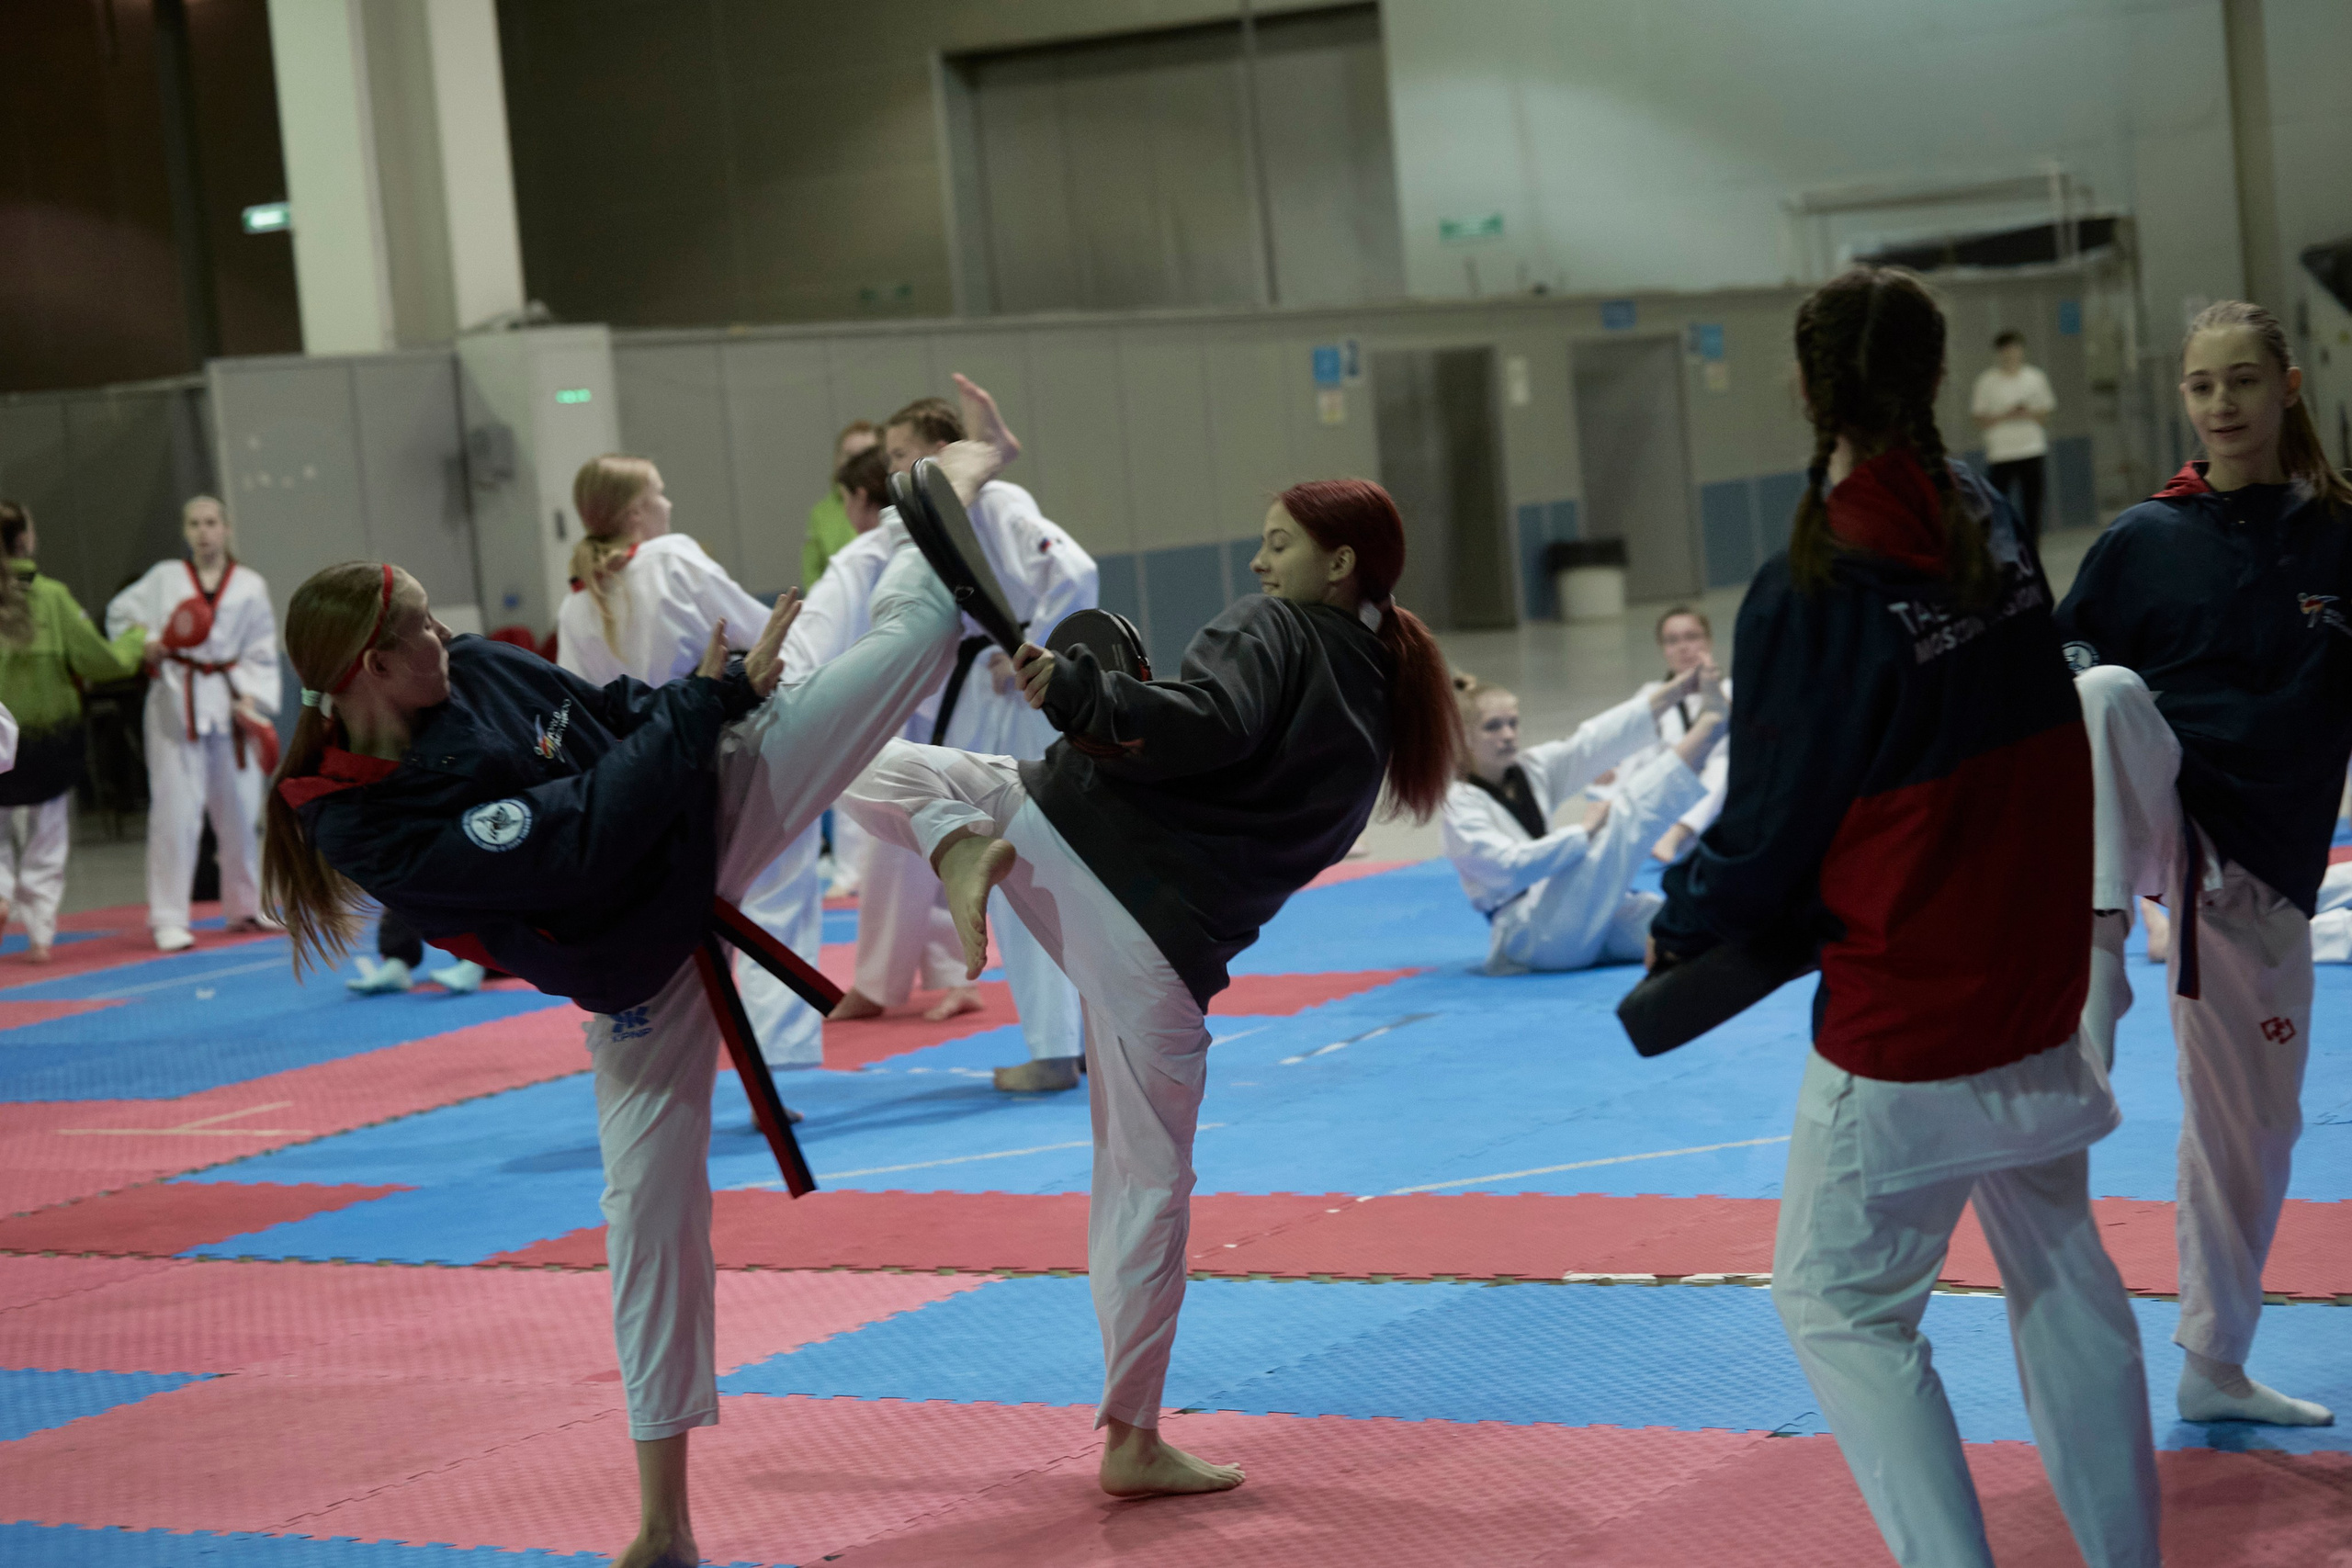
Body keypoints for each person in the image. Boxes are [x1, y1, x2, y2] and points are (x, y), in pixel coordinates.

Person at [260, 373, 1015, 1568]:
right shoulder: (370, 827)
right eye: (409, 632)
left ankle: (960, 471)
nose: (437, 636)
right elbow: (577, 833)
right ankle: (665, 1521)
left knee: (899, 639)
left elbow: (602, 717)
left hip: (710, 807)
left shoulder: (469, 672)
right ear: (360, 671)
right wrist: (712, 697)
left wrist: (703, 706)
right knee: (646, 1219)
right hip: (631, 958)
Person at [1650, 266, 2159, 1568]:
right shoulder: (1984, 517)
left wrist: (1688, 912)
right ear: (1938, 381)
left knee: (1834, 1298)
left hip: (1912, 1001)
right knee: (2058, 1259)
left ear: (1807, 389)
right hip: (2033, 973)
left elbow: (1771, 824)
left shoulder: (1816, 578)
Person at [843, 478, 1459, 1498]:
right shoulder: (1381, 709)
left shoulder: (1279, 627)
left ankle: (951, 845)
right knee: (1144, 1192)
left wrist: (1088, 696)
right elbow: (1221, 752)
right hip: (1159, 954)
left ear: (1338, 562)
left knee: (840, 750)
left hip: (1062, 847)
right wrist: (1096, 704)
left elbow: (1207, 720)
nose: (1260, 565)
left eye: (1276, 545)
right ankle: (1130, 1438)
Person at [2059, 299, 2352, 1431]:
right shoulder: (2144, 539)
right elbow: (2057, 674)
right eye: (2199, 386)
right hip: (2153, 826)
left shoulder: (2338, 533)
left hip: (2264, 873)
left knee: (2253, 1133)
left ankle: (2212, 1361)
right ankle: (2093, 971)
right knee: (2099, 691)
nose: (2219, 404)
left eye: (2239, 381)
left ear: (2285, 386)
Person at [831, 393, 1097, 1094]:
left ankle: (1056, 1047)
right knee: (1028, 871)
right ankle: (1070, 1041)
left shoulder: (1001, 503)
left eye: (898, 454)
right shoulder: (934, 517)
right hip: (978, 697)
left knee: (1027, 871)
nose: (890, 469)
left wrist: (1032, 643)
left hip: (1014, 695)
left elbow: (1076, 571)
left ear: (944, 451)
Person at [555, 451, 828, 1069]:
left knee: (686, 918)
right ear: (636, 512)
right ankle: (779, 1057)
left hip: (643, 777)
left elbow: (581, 705)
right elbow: (765, 632)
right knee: (776, 887)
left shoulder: (576, 604)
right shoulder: (671, 558)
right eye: (660, 492)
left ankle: (673, 1062)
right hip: (724, 744)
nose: (669, 503)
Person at [1442, 667, 1722, 974]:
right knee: (1622, 819)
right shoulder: (1458, 803)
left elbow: (1591, 742)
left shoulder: (1530, 769)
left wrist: (1677, 689)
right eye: (1493, 727)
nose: (1508, 735)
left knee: (1685, 924)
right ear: (1464, 737)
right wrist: (1584, 832)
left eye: (1512, 723)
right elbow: (1507, 866)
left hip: (1575, 920)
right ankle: (1709, 728)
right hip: (1534, 935)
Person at [106, 495, 281, 952]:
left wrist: (250, 695)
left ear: (226, 529)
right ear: (185, 531)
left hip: (229, 701)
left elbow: (262, 648)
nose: (203, 531)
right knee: (175, 812)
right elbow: (119, 615)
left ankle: (245, 905)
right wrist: (147, 642)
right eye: (194, 524)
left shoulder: (249, 585)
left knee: (242, 809)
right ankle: (168, 917)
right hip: (174, 703)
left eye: (211, 522)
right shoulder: (164, 578)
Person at [0, 502, 144, 960]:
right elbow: (103, 662)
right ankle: (40, 936)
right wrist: (137, 638)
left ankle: (0, 892)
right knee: (48, 835)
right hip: (50, 743)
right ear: (24, 540)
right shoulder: (54, 597)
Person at [1592, 606, 1733, 863]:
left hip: (1713, 791)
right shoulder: (1652, 693)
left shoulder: (1729, 689)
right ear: (1663, 649)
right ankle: (1609, 819)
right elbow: (1620, 736)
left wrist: (1711, 688)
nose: (1683, 647)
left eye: (1692, 637)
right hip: (1666, 789)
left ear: (1709, 641)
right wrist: (1607, 763)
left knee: (1726, 762)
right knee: (1641, 740)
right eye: (1673, 641)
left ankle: (1678, 833)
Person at [1972, 329, 2056, 546]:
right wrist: (2005, 414)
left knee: (2033, 502)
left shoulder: (2035, 378)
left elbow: (2045, 414)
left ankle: (2032, 544)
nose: (2012, 354)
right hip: (2001, 452)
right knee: (1998, 502)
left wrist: (2026, 412)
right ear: (1999, 353)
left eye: (2015, 349)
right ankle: (2003, 543)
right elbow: (1979, 418)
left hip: (2031, 448)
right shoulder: (1987, 381)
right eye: (2007, 350)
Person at [802, 420, 880, 587]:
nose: (857, 464)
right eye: (850, 456)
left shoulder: (892, 500)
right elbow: (812, 575)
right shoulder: (821, 513)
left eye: (865, 455)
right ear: (838, 459)